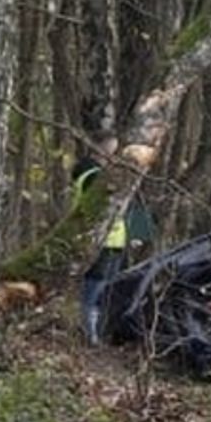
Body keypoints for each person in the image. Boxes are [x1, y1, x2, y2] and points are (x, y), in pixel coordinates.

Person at [72, 135, 154, 343]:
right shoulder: (94, 176)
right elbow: (111, 206)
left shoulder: (102, 175)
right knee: (96, 287)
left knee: (107, 287)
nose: (113, 157)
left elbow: (125, 206)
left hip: (114, 242)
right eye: (111, 151)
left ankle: (99, 332)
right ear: (101, 151)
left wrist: (136, 232)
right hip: (101, 242)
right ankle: (90, 333)